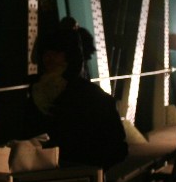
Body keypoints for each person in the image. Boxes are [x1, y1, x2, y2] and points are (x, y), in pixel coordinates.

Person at [21, 18, 128, 170]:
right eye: (45, 52)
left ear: (69, 56)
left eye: (56, 52)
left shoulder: (91, 97)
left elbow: (116, 147)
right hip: (47, 175)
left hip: (77, 176)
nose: (48, 57)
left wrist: (88, 168)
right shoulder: (35, 92)